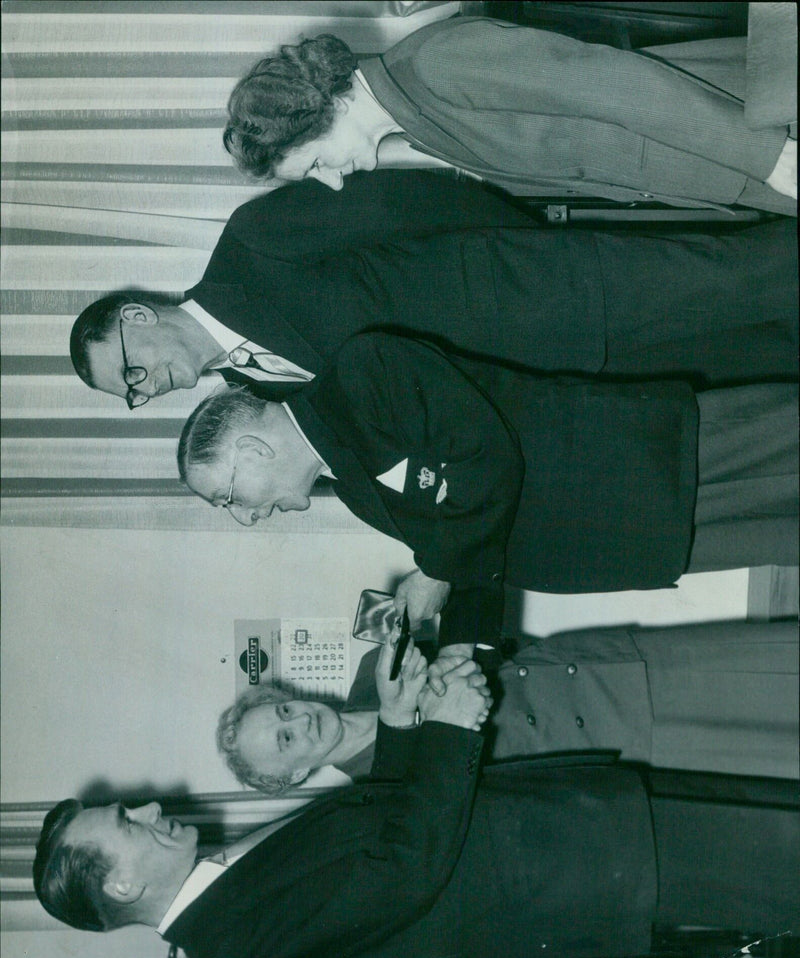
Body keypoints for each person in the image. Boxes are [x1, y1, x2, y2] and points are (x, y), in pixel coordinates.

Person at [34, 663, 799, 958]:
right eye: (126, 823)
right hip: (575, 866)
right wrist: (450, 732)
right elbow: (400, 875)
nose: (147, 808)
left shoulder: (221, 880)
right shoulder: (227, 946)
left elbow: (383, 823)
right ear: (123, 883)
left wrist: (401, 727)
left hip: (574, 824)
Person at [177, 331, 798, 671]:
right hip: (644, 541)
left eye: (229, 498)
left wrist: (436, 569)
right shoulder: (352, 490)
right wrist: (456, 655)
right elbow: (477, 553)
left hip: (653, 459)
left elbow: (486, 460)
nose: (248, 517)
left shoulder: (363, 375)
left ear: (253, 451)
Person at [69, 172, 799, 403]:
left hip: (556, 288)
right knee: (751, 351)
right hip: (562, 369)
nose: (146, 388)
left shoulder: (250, 248)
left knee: (747, 276)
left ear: (139, 314)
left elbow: (408, 203)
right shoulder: (260, 391)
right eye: (130, 393)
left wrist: (532, 253)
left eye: (130, 369)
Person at [223, 19, 797, 213]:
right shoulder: (412, 115)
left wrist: (768, 156)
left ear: (335, 100)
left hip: (748, 124)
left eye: (317, 162)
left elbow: (620, 84)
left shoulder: (436, 64)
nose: (334, 177)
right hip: (719, 167)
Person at [217, 619, 800, 795]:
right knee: (769, 746)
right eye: (286, 740)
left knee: (765, 659)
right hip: (612, 743)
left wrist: (456, 651)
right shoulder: (383, 789)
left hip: (598, 666)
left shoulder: (375, 668)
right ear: (293, 776)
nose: (300, 721)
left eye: (283, 712)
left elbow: (484, 622)